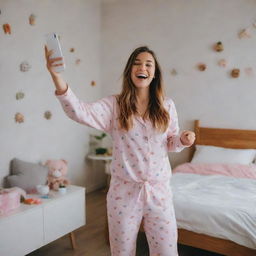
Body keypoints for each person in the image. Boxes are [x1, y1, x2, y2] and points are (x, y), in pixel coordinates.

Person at [45, 45, 195, 256]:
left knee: (166, 251)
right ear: (130, 71)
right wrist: (56, 75)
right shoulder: (114, 106)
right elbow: (79, 111)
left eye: (148, 64)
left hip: (159, 192)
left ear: (154, 74)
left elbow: (170, 142)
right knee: (121, 251)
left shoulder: (166, 106)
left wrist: (182, 140)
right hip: (123, 194)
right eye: (137, 63)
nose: (142, 67)